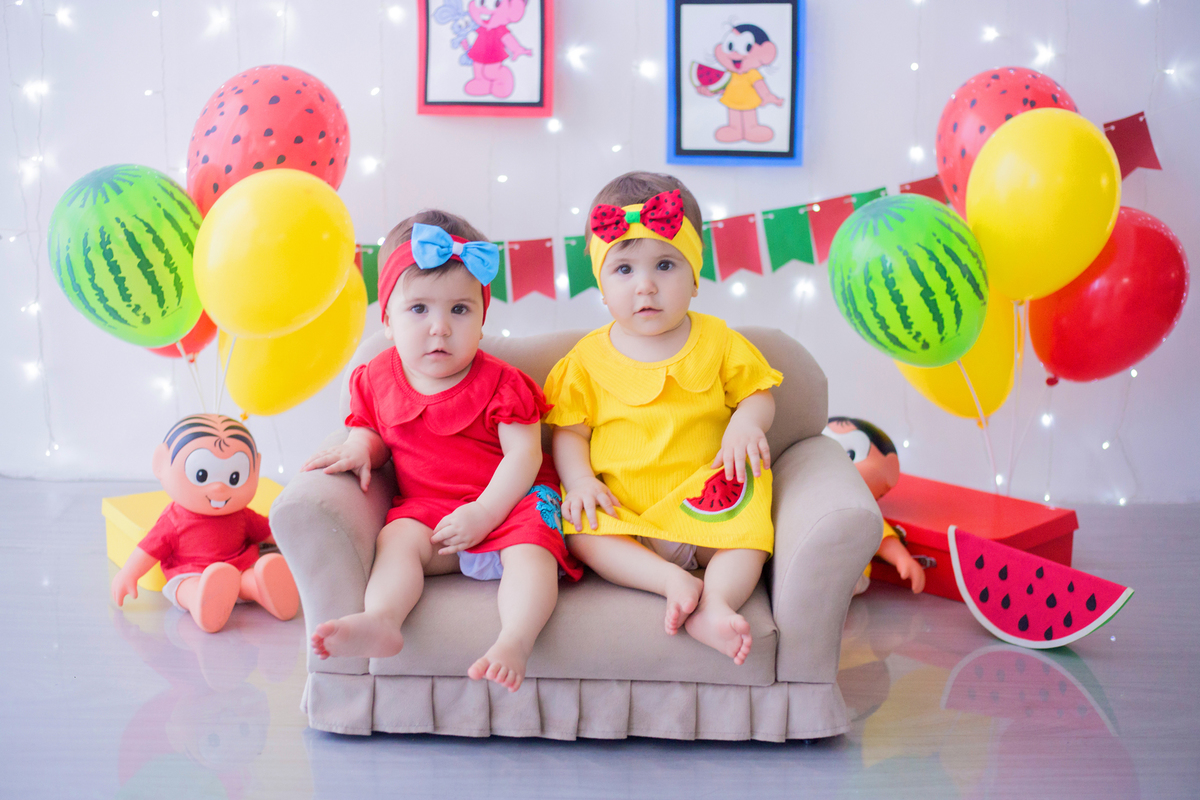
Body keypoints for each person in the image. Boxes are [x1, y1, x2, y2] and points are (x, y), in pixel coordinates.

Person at [304, 210, 581, 693]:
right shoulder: (374, 377)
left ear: (481, 320)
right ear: (387, 319)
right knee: (397, 542)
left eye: (459, 309)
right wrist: (358, 449)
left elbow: (525, 457)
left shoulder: (505, 384)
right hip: (429, 511)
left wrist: (484, 513)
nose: (440, 328)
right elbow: (370, 428)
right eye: (419, 310)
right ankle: (383, 619)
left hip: (509, 504)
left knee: (531, 552)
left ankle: (515, 639)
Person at [544, 172, 782, 665]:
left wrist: (747, 422)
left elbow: (759, 392)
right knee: (582, 531)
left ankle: (714, 604)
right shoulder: (585, 360)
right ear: (602, 286)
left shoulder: (719, 340)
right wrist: (581, 479)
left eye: (666, 264)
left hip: (708, 501)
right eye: (624, 269)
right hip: (627, 511)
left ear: (695, 277)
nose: (646, 285)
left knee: (752, 534)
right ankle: (668, 581)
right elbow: (569, 431)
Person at [111, 414, 299, 633]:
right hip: (190, 574)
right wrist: (128, 573)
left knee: (248, 578)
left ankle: (264, 588)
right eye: (202, 475)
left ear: (255, 468)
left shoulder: (242, 514)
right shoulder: (173, 520)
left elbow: (268, 531)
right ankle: (203, 601)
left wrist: (296, 539)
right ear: (161, 464)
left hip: (238, 569)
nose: (219, 488)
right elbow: (149, 548)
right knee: (186, 589)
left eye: (234, 478)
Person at [824, 416, 926, 595]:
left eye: (850, 455)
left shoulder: (863, 512)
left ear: (889, 470)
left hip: (847, 573)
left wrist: (903, 560)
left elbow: (882, 539)